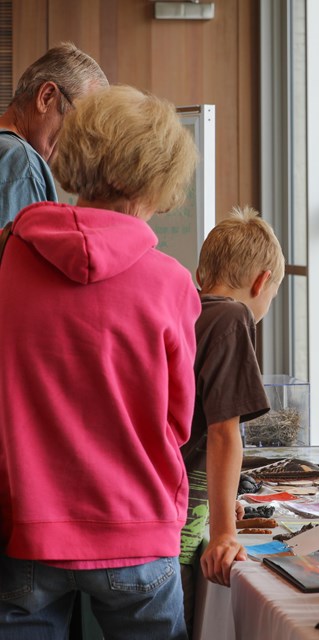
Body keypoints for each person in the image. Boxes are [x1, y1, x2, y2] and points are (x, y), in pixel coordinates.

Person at [0, 85, 200, 638]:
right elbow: (178, 421)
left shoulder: (9, 256)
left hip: (29, 529)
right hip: (136, 528)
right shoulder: (171, 285)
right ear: (159, 180)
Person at [179, 206, 285, 633]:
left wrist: (223, 503)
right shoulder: (230, 317)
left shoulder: (187, 311)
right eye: (272, 296)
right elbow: (224, 433)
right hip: (176, 537)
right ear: (262, 282)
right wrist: (223, 532)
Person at [0, 41, 108, 226]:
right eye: (81, 123)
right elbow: (16, 255)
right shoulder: (20, 161)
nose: (81, 143)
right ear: (46, 97)